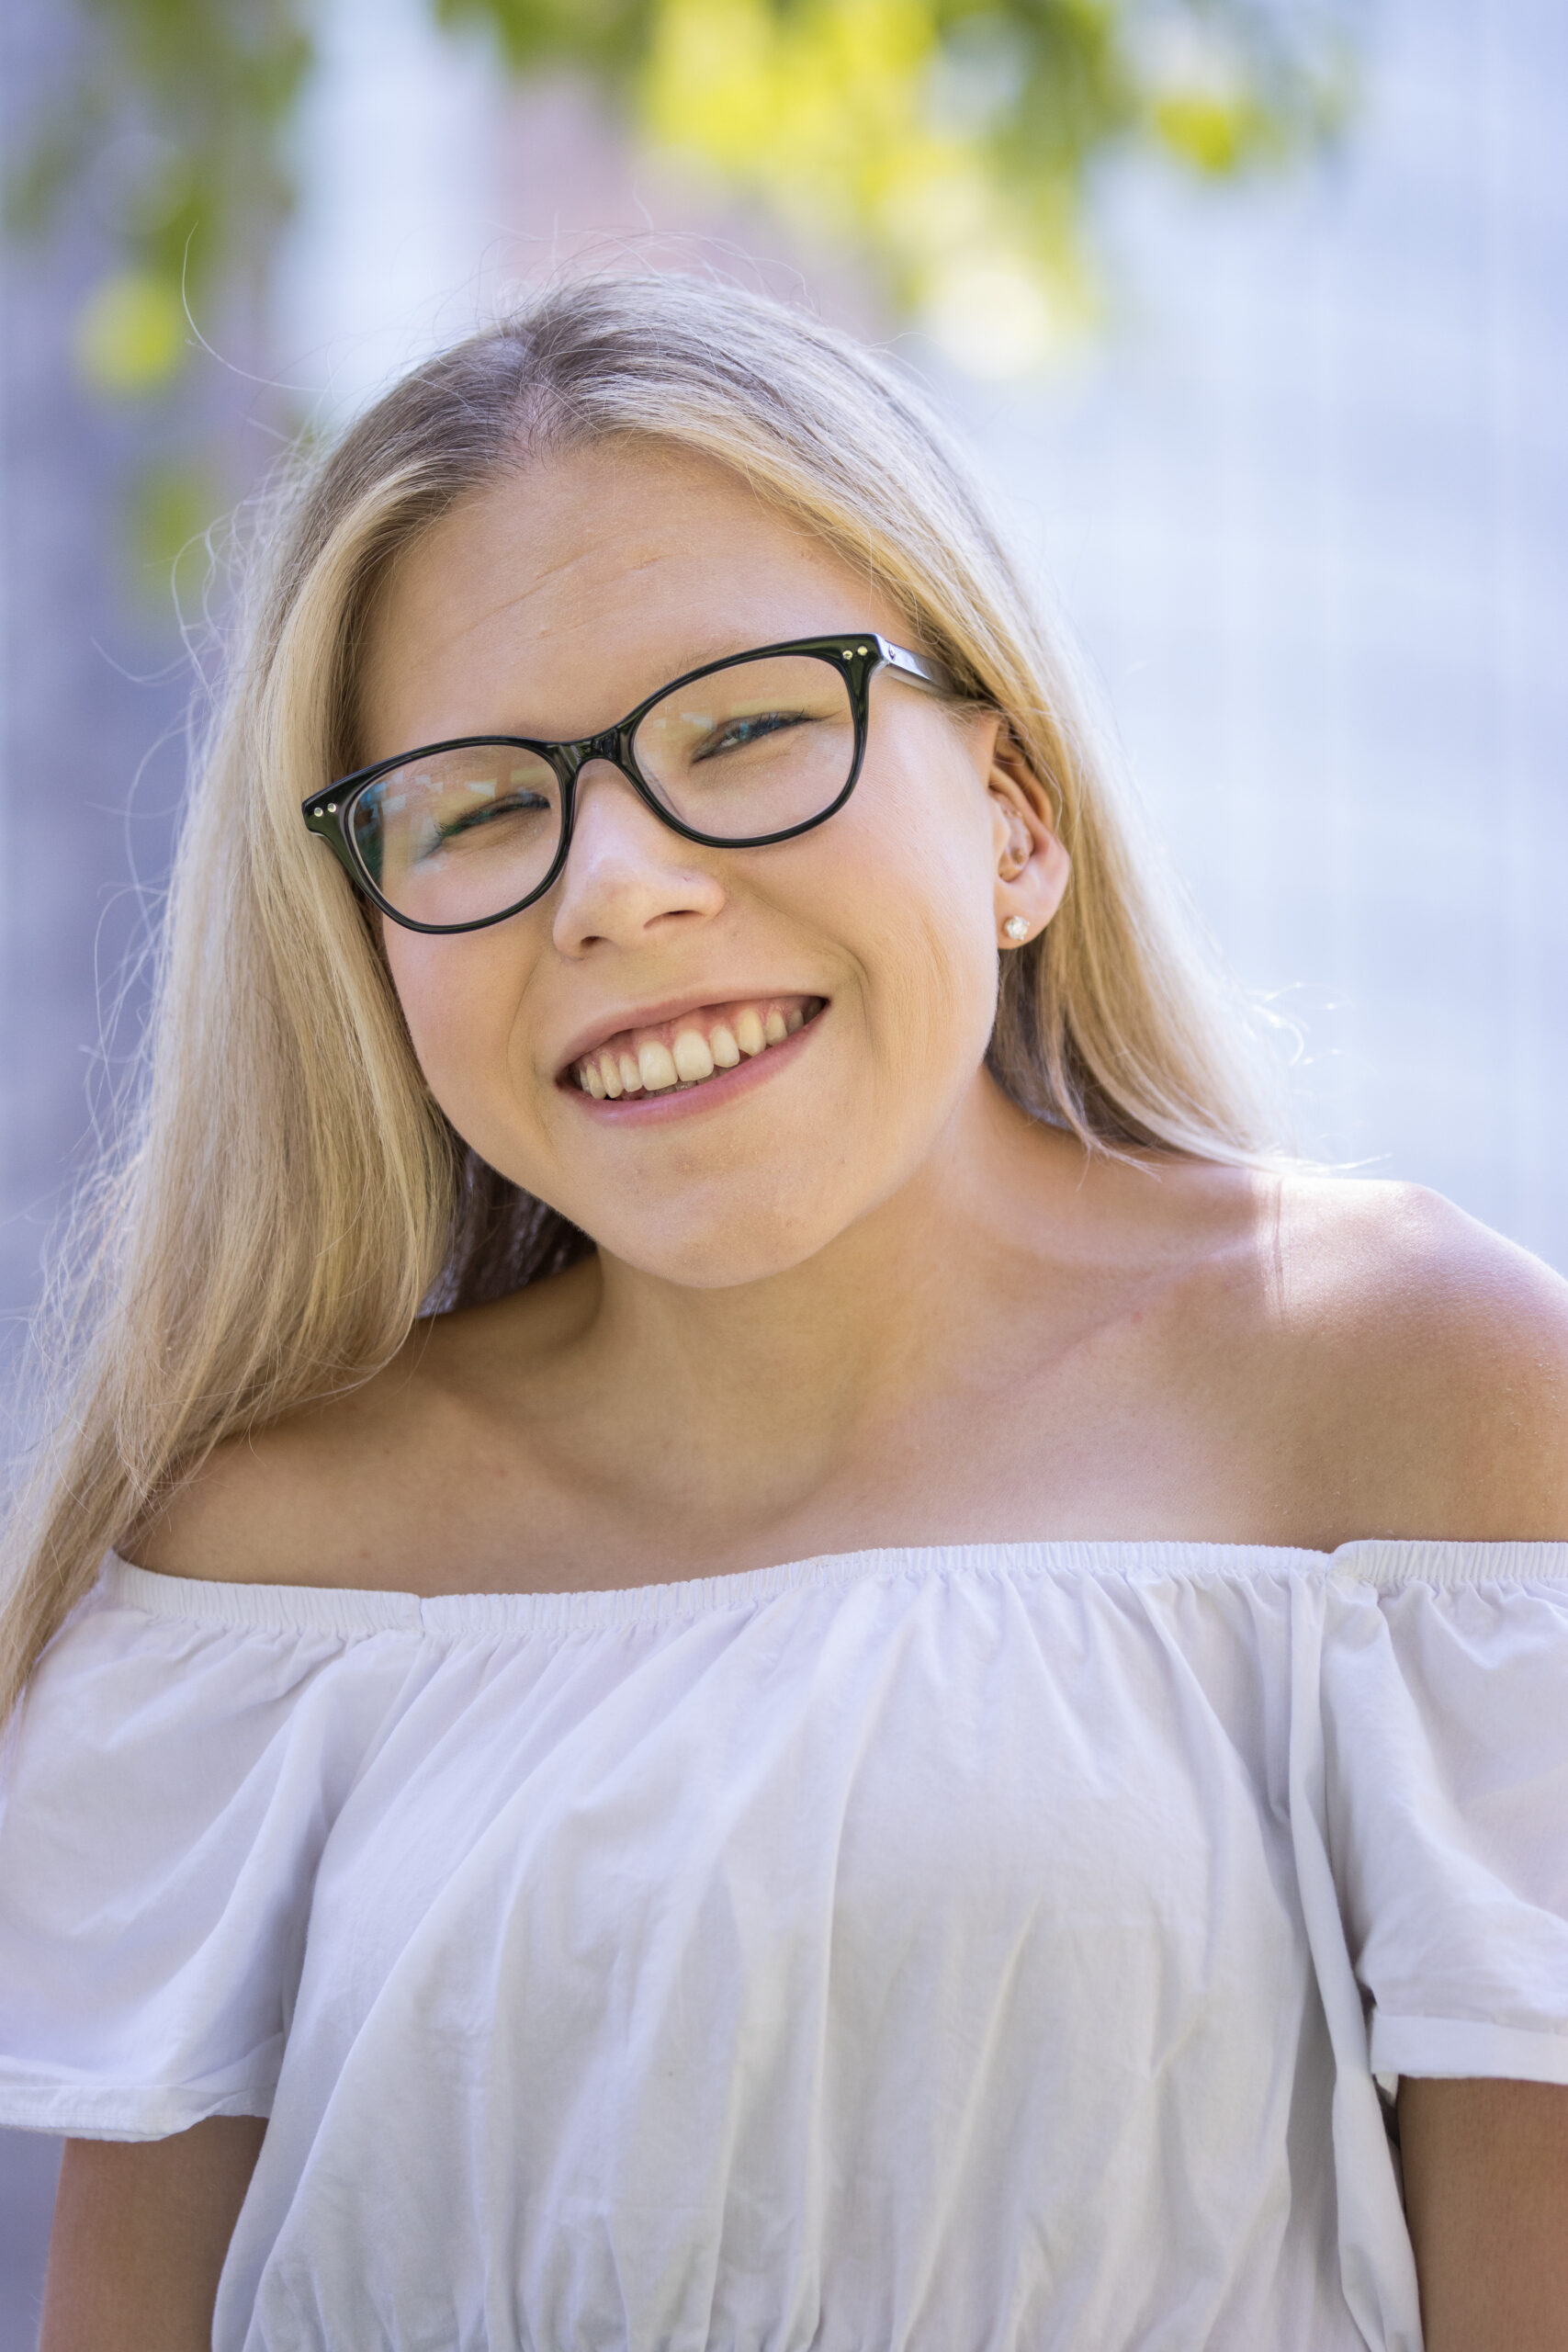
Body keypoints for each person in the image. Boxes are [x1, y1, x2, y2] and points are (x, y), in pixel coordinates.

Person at [1, 274, 1564, 2352]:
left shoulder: (1410, 1394)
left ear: (1012, 817)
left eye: (743, 725)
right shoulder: (258, 1570)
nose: (616, 884)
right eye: (473, 805)